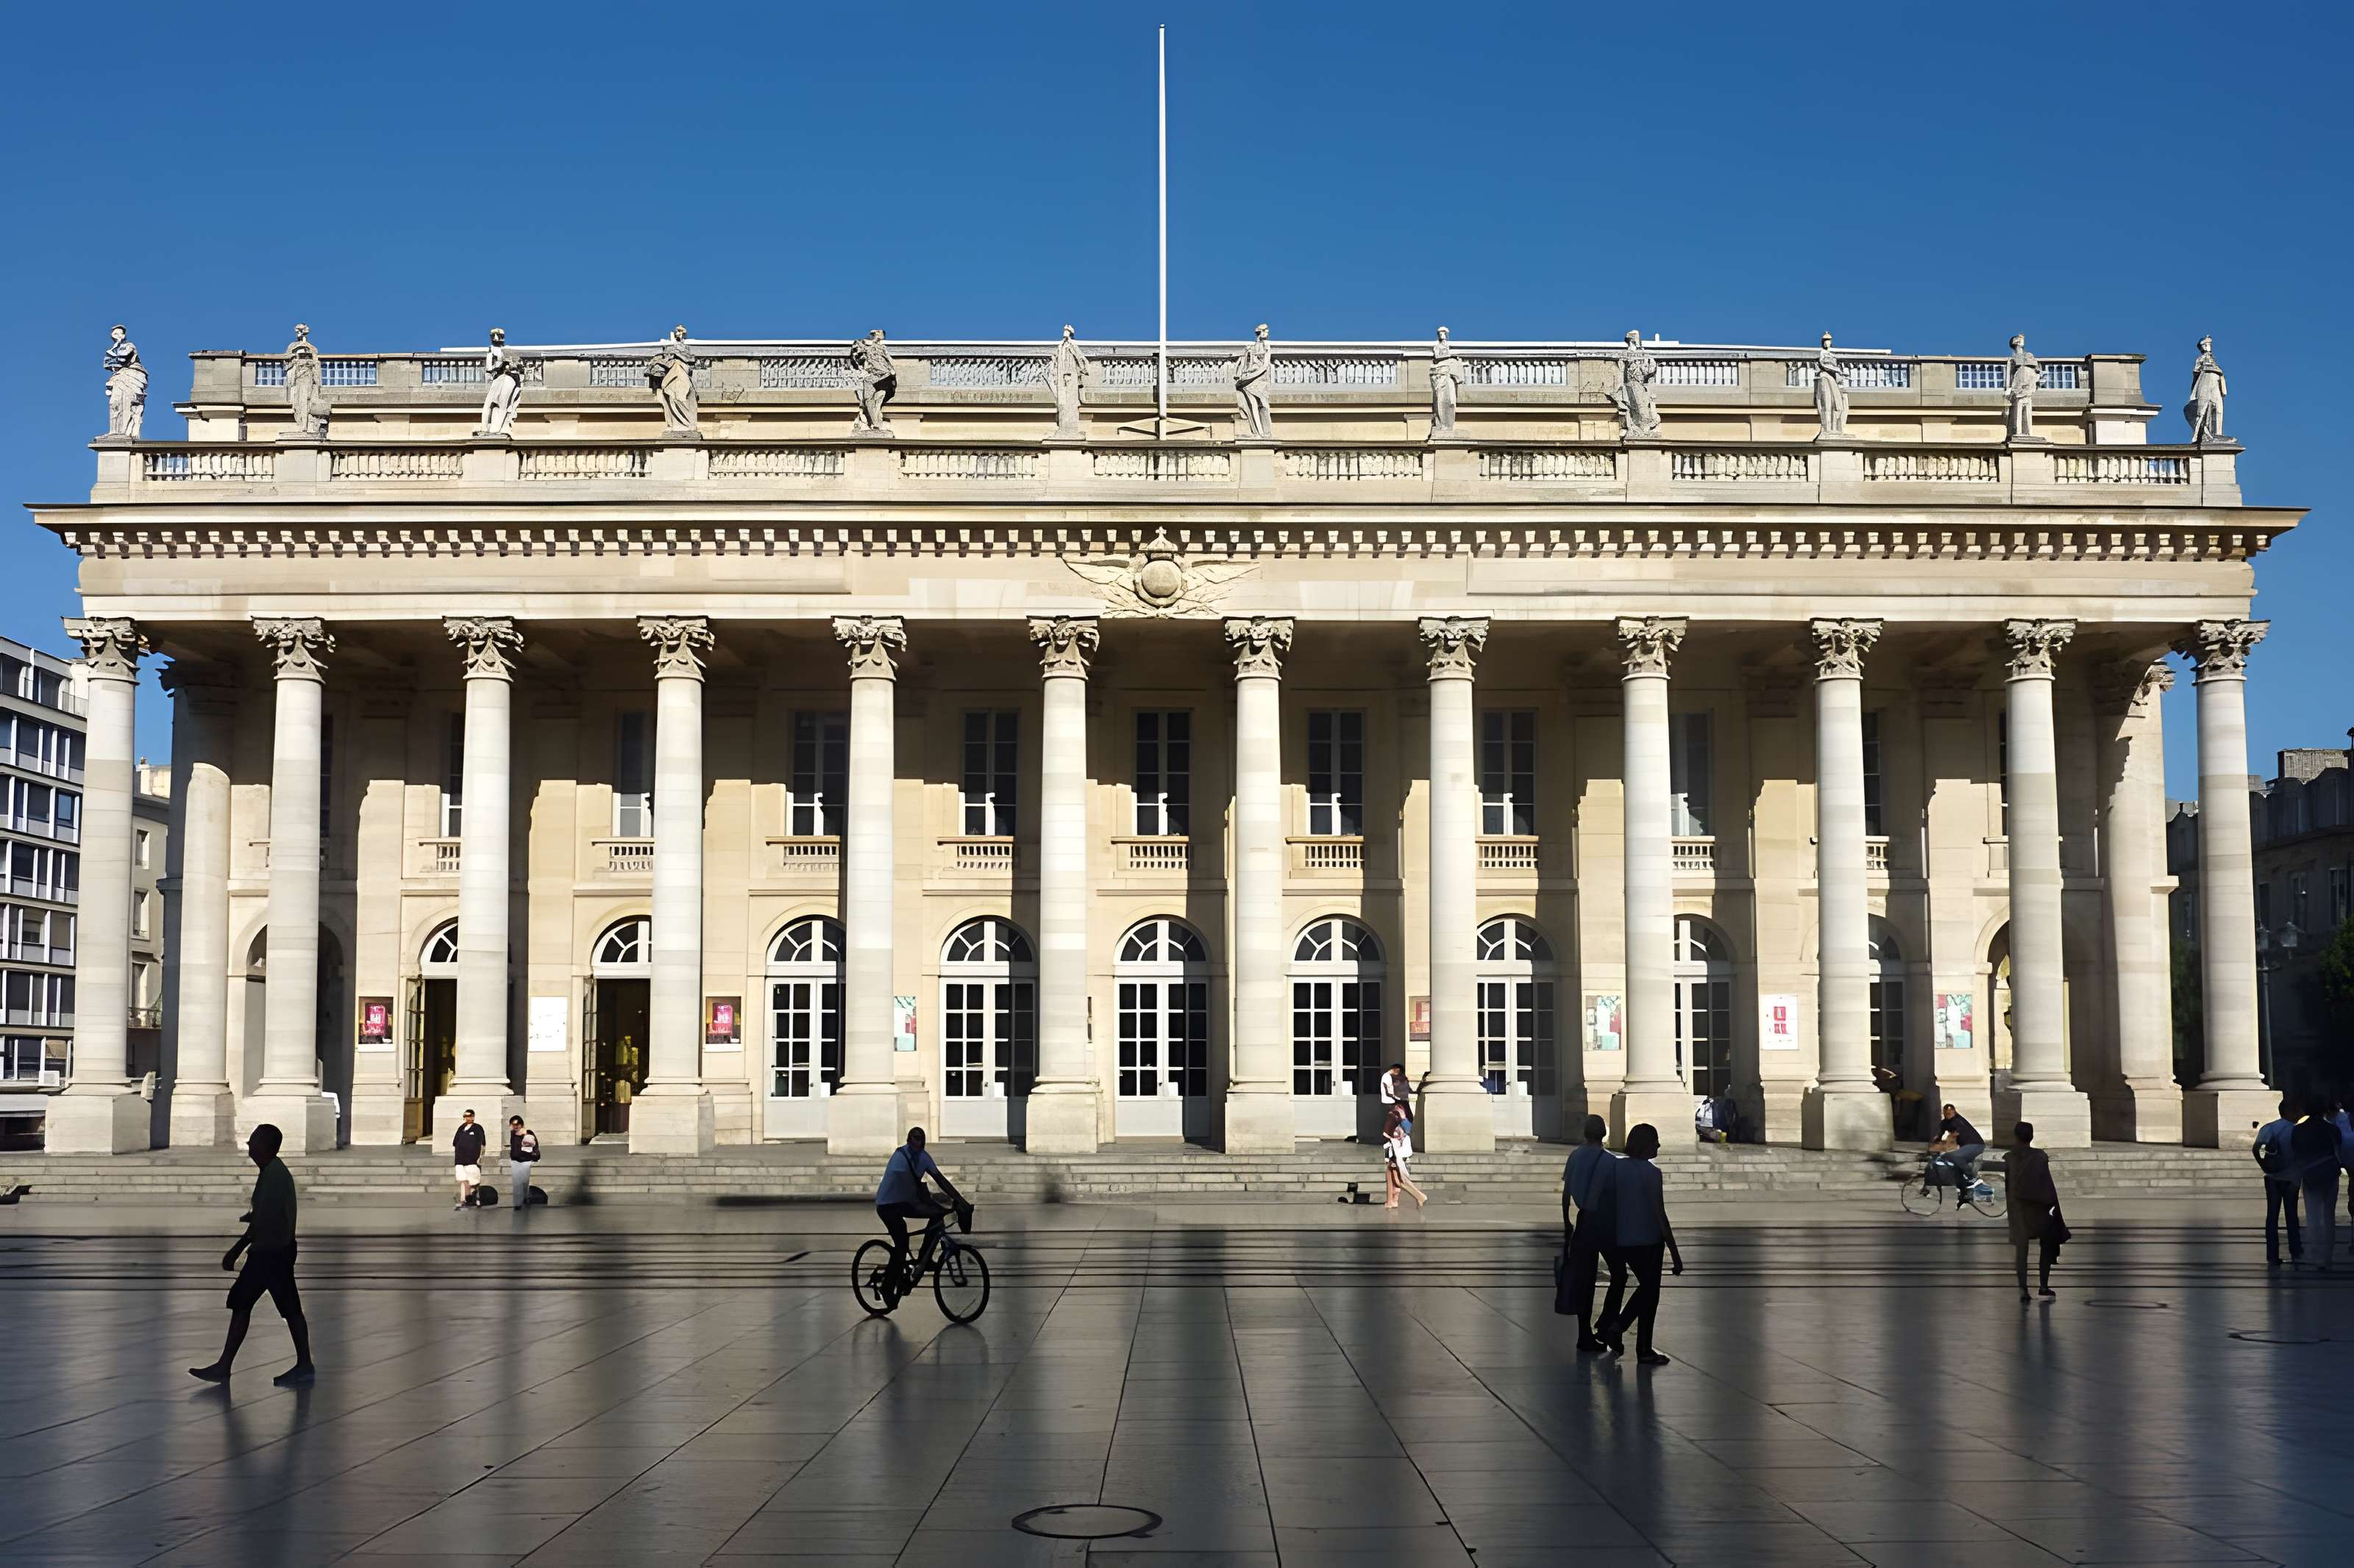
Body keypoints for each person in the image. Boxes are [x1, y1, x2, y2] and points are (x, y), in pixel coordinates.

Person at [188, 1124, 315, 1386]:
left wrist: (235, 1250)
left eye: (254, 1141)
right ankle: (227, 1365)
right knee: (258, 1305)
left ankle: (302, 1364)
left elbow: (264, 1222)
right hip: (275, 1250)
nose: (249, 1145)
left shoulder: (273, 1175)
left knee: (269, 1306)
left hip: (270, 1253)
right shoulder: (273, 1172)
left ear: (266, 1146)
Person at [1597, 1123, 1682, 1366]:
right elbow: (1660, 1214)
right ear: (1646, 1145)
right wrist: (1675, 1254)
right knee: (1650, 1292)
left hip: (1623, 1239)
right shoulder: (1652, 1174)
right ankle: (1637, 1342)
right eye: (1655, 1141)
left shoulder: (1616, 1168)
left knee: (1646, 1289)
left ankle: (1620, 1329)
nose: (1658, 1145)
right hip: (1650, 1241)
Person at [1560, 1114, 1624, 1353]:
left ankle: (1584, 1334)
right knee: (1619, 1274)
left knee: (1584, 1282)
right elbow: (1616, 1196)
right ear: (1604, 1134)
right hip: (1604, 1222)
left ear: (1585, 1133)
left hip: (1583, 1220)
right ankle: (1606, 1321)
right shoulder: (1610, 1161)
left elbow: (1566, 1195)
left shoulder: (1575, 1156)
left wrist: (1567, 1221)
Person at [875, 1127, 969, 1288]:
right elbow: (908, 1189)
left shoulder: (923, 1157)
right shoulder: (900, 1158)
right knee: (901, 1246)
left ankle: (924, 1259)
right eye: (916, 1139)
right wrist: (929, 1204)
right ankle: (887, 1288)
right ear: (909, 1140)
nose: (919, 1142)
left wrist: (960, 1200)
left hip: (904, 1202)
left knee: (938, 1216)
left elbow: (940, 1179)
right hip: (888, 1205)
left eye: (921, 1139)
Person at [2006, 1122, 2069, 1301]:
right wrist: (2053, 1208)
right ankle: (2043, 1285)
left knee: (2022, 1251)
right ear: (2031, 1137)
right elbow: (2047, 1184)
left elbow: (2009, 1188)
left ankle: (2024, 1290)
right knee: (2046, 1246)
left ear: (2016, 1136)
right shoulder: (2039, 1157)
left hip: (2019, 1210)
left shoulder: (2009, 1158)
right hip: (2039, 1209)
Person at [2290, 1093, 2340, 1272]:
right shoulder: (2332, 1129)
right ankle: (2328, 1256)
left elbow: (2296, 1155)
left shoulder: (2298, 1130)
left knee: (2313, 1216)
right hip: (2330, 1174)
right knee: (2329, 1215)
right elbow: (2337, 1151)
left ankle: (2317, 1255)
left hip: (2310, 1175)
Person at [2253, 1096, 2303, 1267]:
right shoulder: (2296, 1130)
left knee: (2272, 1216)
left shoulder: (2270, 1128)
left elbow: (2256, 1148)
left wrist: (2264, 1166)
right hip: (2291, 1178)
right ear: (2290, 1111)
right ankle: (2296, 1251)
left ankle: (2272, 1255)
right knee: (2291, 1215)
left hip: (2273, 1178)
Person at [1927, 1103, 1989, 1203]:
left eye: (1951, 1112)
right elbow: (1939, 1136)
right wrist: (1932, 1146)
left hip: (1975, 1145)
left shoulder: (1958, 1121)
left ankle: (1972, 1177)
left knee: (1952, 1156)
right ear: (1944, 1113)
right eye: (1947, 1113)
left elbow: (1954, 1136)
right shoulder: (1944, 1123)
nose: (1949, 1114)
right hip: (1965, 1147)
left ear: (1955, 1112)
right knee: (1955, 1167)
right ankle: (1965, 1192)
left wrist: (1946, 1145)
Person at [1382, 1102, 1426, 1209]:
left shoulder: (1404, 1119)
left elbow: (1407, 1130)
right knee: (1394, 1177)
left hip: (1399, 1151)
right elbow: (1387, 1132)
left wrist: (1402, 1118)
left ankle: (1419, 1196)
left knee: (1399, 1178)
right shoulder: (1393, 1115)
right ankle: (1392, 1200)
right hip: (1392, 1148)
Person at [452, 1108, 486, 1209]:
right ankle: (465, 1200)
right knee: (463, 1181)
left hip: (472, 1160)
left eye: (471, 1115)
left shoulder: (478, 1128)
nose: (469, 1117)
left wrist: (480, 1157)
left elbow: (482, 1144)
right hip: (460, 1160)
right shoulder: (461, 1128)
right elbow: (455, 1142)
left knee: (473, 1182)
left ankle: (474, 1200)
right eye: (467, 1116)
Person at [508, 1115, 539, 1210]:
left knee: (525, 1182)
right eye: (513, 1125)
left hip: (526, 1161)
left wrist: (526, 1135)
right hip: (515, 1161)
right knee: (517, 1182)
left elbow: (532, 1146)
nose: (515, 1127)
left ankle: (526, 1197)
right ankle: (517, 1204)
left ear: (521, 1125)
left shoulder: (529, 1134)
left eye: (517, 1124)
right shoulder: (513, 1134)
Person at [1380, 1063, 1412, 1140]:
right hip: (1390, 1101)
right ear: (1396, 1069)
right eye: (1399, 1071)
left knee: (1397, 1117)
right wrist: (1396, 1098)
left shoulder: (1395, 1077)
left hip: (1395, 1100)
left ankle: (1393, 1134)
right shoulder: (1387, 1076)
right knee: (1394, 1117)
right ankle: (1388, 1134)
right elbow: (1387, 1090)